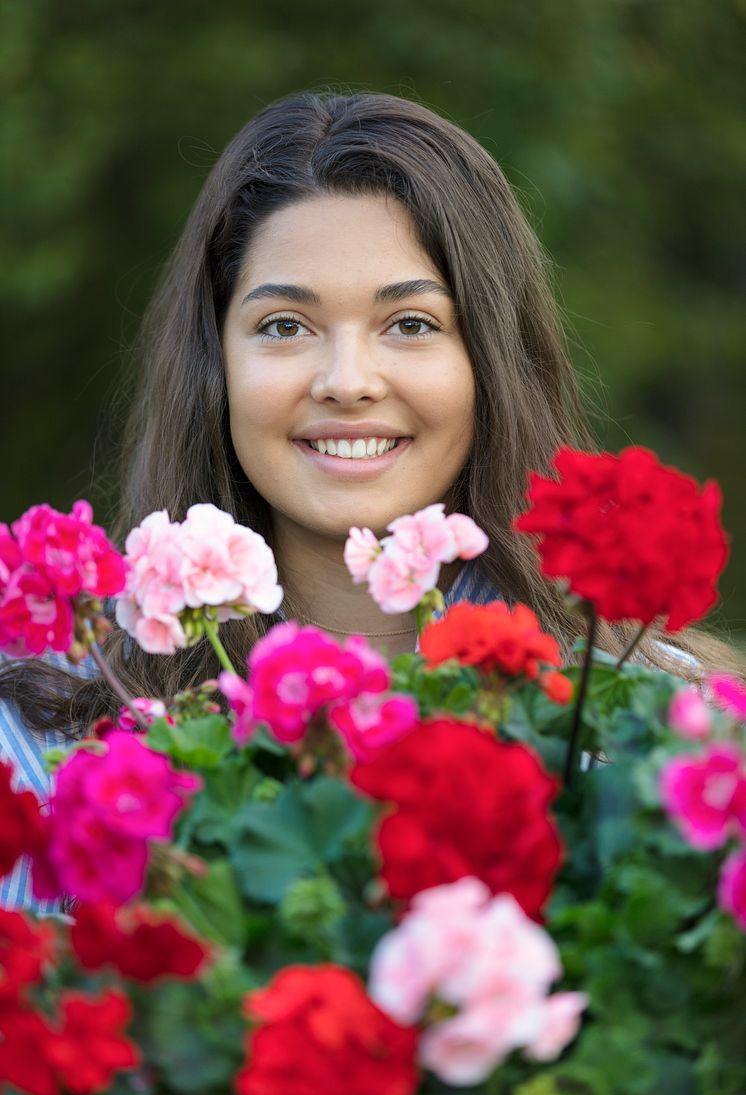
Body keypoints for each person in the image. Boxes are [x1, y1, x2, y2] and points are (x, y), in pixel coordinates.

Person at [1, 89, 743, 910]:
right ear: (214, 366)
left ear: (491, 362)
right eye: (285, 326)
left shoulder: (670, 731)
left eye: (411, 323)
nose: (347, 381)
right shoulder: (38, 739)